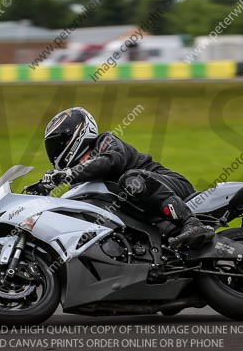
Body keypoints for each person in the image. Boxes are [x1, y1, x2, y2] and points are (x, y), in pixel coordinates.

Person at [39, 107, 213, 250]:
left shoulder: (105, 142)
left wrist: (69, 174)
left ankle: (191, 223)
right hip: (147, 209)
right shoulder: (80, 180)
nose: (56, 150)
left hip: (172, 186)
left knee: (131, 179)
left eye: (59, 142)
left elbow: (112, 162)